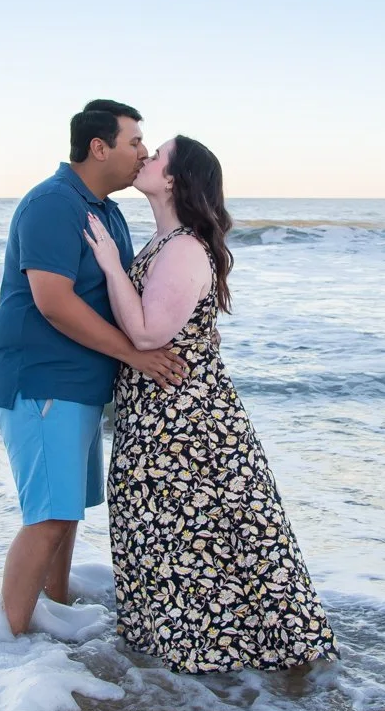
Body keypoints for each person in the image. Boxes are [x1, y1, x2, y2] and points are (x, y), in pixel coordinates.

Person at [83, 135, 339, 672]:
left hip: (188, 423)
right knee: (174, 533)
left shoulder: (182, 247)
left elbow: (150, 334)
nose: (146, 157)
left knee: (199, 535)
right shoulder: (163, 242)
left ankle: (228, 662)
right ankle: (192, 656)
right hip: (162, 415)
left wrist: (109, 264)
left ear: (174, 179)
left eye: (158, 156)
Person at [0, 100, 189, 637]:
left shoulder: (106, 210)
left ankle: (53, 609)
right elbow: (52, 299)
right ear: (98, 147)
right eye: (134, 143)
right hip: (41, 380)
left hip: (78, 384)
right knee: (48, 516)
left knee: (67, 508)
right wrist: (135, 355)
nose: (143, 152)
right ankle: (8, 643)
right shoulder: (54, 204)